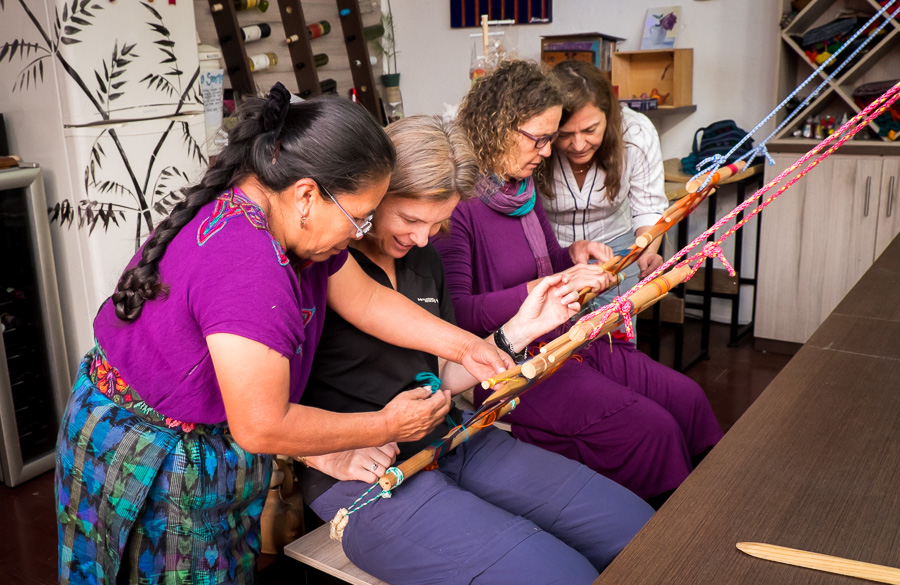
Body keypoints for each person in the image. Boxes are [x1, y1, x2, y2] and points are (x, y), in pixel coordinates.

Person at [54, 84, 512, 585]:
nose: (361, 233)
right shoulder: (249, 266)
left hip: (195, 436)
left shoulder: (284, 217)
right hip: (155, 456)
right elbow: (261, 425)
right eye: (359, 217)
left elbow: (368, 300)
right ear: (307, 195)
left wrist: (464, 345)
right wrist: (385, 425)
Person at [299, 115, 653, 585]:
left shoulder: (423, 257)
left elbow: (441, 373)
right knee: (558, 575)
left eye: (437, 223)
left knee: (635, 529)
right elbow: (251, 409)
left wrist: (519, 330)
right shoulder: (320, 262)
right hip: (361, 475)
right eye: (409, 219)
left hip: (451, 440)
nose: (422, 238)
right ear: (372, 192)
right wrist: (323, 457)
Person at [433, 60, 724, 507]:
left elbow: (546, 260)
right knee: (651, 428)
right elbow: (460, 313)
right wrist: (548, 284)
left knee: (686, 399)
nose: (549, 152)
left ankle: (713, 501)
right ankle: (665, 533)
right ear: (498, 129)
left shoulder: (521, 191)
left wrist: (573, 255)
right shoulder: (461, 205)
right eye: (541, 139)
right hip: (504, 360)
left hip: (563, 336)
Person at [539, 58, 665, 313]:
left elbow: (648, 208)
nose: (578, 144)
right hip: (551, 253)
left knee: (614, 340)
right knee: (556, 344)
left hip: (617, 252)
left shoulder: (636, 133)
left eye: (590, 130)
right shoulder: (538, 138)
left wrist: (646, 252)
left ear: (609, 116)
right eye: (564, 134)